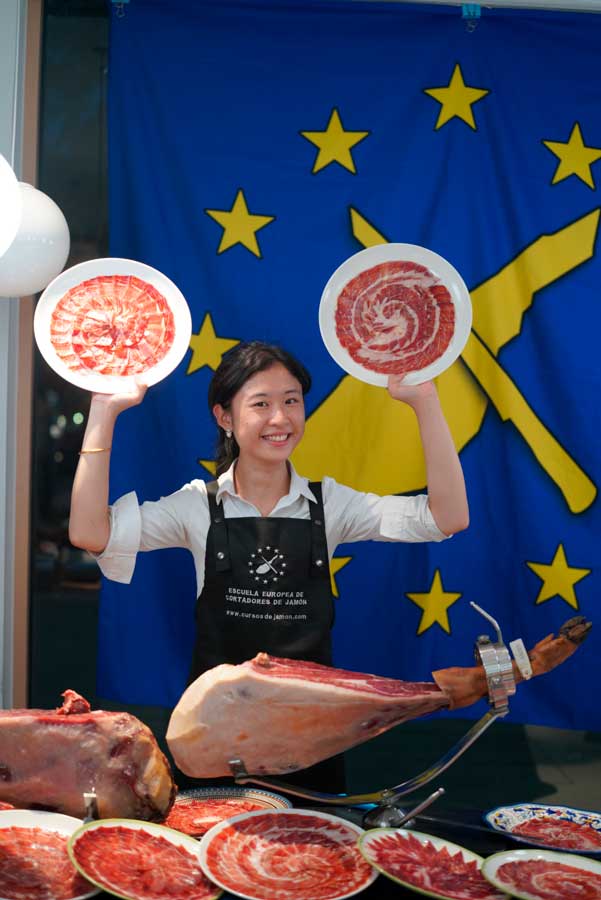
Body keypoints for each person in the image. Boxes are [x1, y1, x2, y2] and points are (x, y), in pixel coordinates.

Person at [69, 341, 469, 793]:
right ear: (224, 417)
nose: (280, 419)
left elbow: (447, 517)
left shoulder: (330, 504)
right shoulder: (197, 506)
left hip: (310, 736)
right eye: (261, 404)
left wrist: (425, 401)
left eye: (291, 402)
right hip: (214, 736)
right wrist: (103, 412)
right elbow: (90, 532)